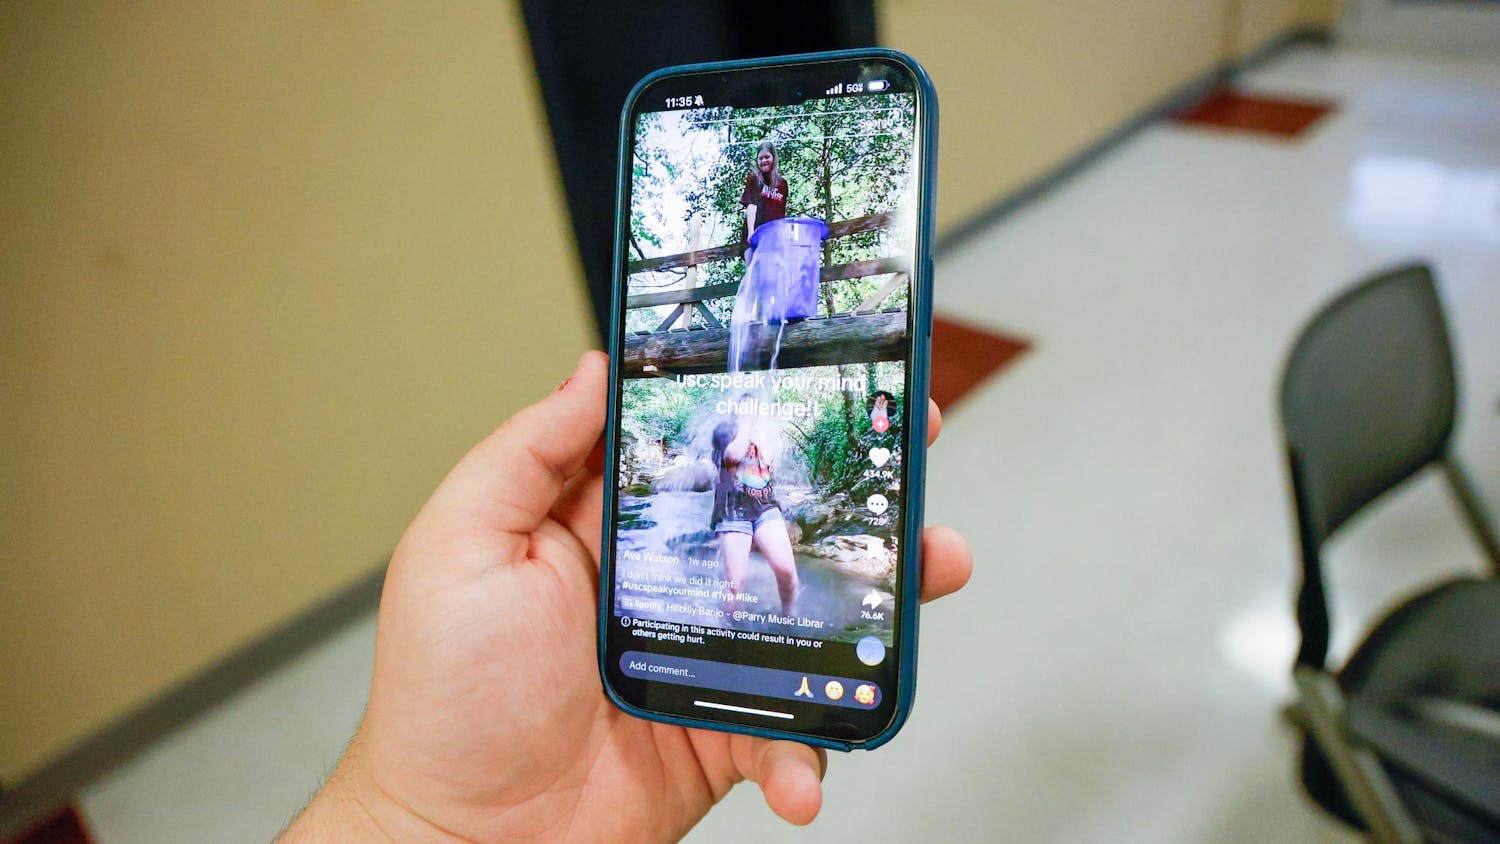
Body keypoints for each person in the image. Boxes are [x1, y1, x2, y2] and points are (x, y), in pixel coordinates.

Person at [279, 351, 972, 842]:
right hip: (731, 514)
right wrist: (403, 820)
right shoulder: (731, 427)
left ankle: (786, 640)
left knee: (788, 577)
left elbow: (769, 464)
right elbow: (735, 461)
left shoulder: (768, 423)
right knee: (735, 586)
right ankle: (732, 634)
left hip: (764, 511)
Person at [711, 410, 797, 614]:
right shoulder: (723, 431)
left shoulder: (764, 432)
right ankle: (726, 632)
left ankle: (788, 619)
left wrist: (758, 432)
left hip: (765, 506)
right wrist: (745, 427)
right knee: (735, 584)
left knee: (787, 571)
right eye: (746, 409)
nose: (750, 413)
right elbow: (732, 456)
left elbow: (767, 459)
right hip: (732, 509)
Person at [741, 140, 789, 247]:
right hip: (754, 236)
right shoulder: (754, 179)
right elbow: (751, 206)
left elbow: (782, 213)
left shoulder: (782, 184)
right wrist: (751, 232)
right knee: (754, 264)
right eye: (760, 158)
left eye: (767, 157)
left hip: (773, 238)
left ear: (774, 158)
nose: (763, 161)